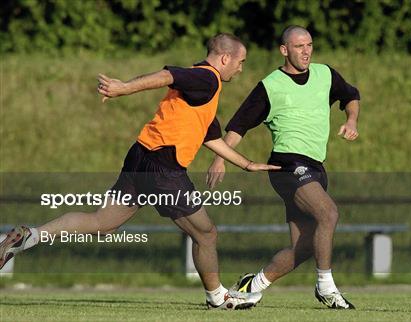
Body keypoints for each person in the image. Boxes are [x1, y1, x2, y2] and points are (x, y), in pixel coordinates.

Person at [0, 33, 279, 310]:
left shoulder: (201, 88)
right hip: (163, 167)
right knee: (206, 234)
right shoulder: (208, 78)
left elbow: (210, 137)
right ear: (225, 58)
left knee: (102, 222)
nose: (241, 69)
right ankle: (218, 297)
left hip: (140, 156)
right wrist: (123, 88)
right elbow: (168, 74)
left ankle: (31, 236)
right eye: (240, 62)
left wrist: (246, 164)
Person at [206, 26, 360, 309]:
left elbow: (351, 96)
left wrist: (351, 120)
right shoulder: (270, 85)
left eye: (310, 45)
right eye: (299, 46)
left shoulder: (326, 74)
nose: (306, 51)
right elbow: (239, 126)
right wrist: (220, 158)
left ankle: (253, 285)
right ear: (284, 50)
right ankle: (326, 286)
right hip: (287, 166)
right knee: (329, 213)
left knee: (304, 247)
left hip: (315, 167)